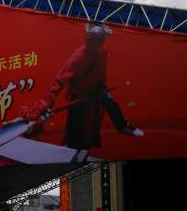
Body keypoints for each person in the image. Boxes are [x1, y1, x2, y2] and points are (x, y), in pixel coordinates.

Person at [28, 22, 143, 154]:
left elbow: (101, 72)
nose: (92, 44)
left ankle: (122, 126)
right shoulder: (77, 58)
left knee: (110, 102)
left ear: (101, 42)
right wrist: (47, 104)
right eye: (90, 41)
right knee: (76, 126)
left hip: (96, 89)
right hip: (78, 94)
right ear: (87, 39)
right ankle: (72, 149)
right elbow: (59, 80)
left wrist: (102, 86)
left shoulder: (103, 52)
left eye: (97, 42)